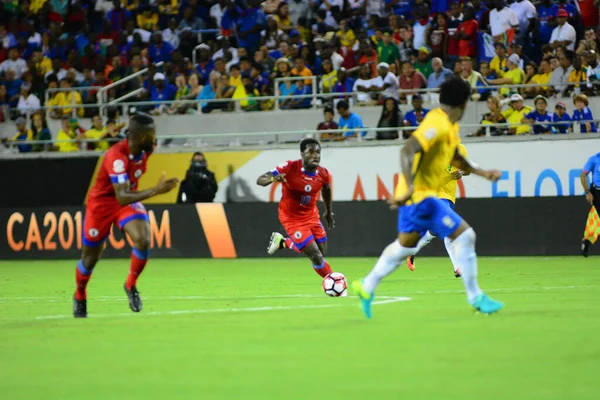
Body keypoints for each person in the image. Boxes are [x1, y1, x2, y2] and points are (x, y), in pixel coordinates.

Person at [352, 78, 504, 318]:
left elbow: (455, 158)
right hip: (420, 197)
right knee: (465, 235)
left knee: (404, 248)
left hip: (420, 197)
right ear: (464, 104)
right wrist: (410, 188)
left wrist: (483, 173)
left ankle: (366, 286)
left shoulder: (449, 126)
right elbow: (407, 149)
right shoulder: (437, 122)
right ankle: (476, 297)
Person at [73, 113, 180, 318]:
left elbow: (124, 198)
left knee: (143, 238)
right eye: (152, 134)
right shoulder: (116, 156)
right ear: (140, 137)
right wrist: (156, 191)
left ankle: (130, 285)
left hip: (126, 202)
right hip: (103, 204)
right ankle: (80, 294)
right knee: (89, 259)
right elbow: (121, 196)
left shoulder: (145, 149)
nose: (155, 138)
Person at [256, 138, 336, 280]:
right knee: (316, 257)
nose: (315, 155)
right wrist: (274, 179)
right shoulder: (289, 167)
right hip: (291, 218)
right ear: (301, 153)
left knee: (322, 252)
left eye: (317, 152)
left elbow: (327, 189)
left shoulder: (323, 173)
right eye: (310, 152)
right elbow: (261, 179)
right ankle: (334, 281)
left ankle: (283, 242)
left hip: (311, 216)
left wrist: (328, 211)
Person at [405, 142, 470, 276]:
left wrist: (461, 172)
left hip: (450, 196)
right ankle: (458, 267)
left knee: (434, 231)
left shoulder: (460, 148)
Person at [580, 151, 600, 257]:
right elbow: (583, 175)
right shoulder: (594, 159)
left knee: (597, 223)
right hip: (597, 193)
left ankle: (587, 240)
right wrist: (587, 192)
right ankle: (587, 240)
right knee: (596, 222)